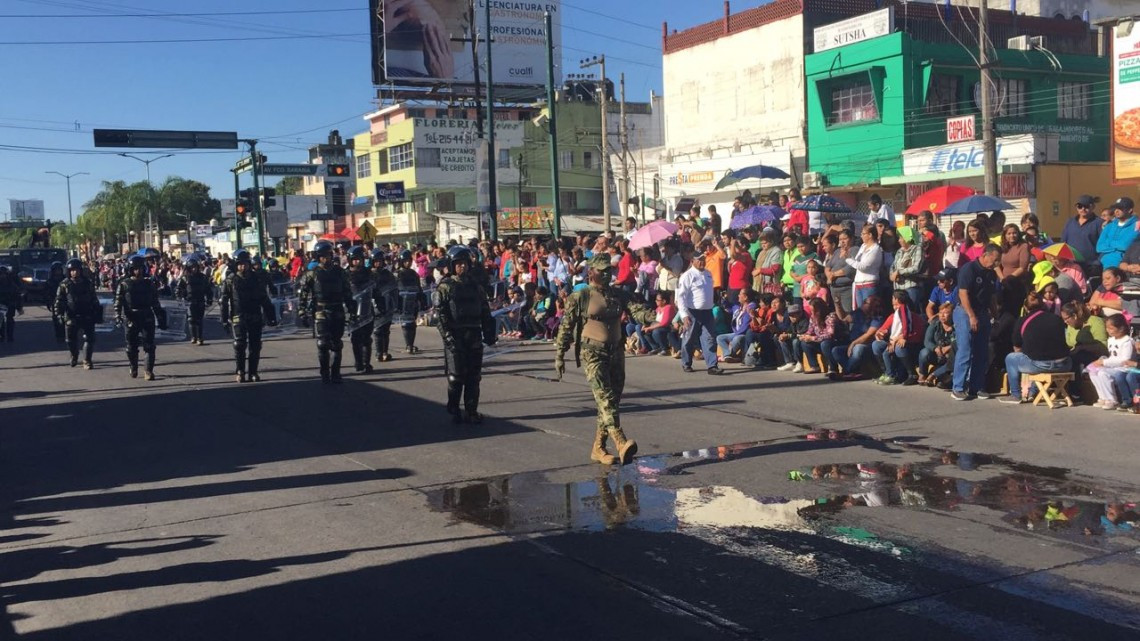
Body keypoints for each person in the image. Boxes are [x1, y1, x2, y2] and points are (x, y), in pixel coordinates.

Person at [554, 253, 657, 466]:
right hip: (592, 352)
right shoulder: (580, 296)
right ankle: (620, 441)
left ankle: (598, 447)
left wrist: (655, 317)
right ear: (591, 272)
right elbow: (566, 326)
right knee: (605, 397)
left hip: (616, 351)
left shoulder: (618, 294)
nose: (607, 274)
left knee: (611, 401)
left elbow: (636, 310)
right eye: (602, 270)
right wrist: (560, 355)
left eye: (609, 270)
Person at [435, 246, 495, 424]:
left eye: (465, 263)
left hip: (474, 334)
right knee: (456, 377)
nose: (462, 266)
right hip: (455, 334)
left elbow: (485, 311)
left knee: (473, 378)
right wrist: (447, 336)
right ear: (452, 265)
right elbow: (440, 316)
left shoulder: (476, 287)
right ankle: (454, 408)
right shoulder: (445, 287)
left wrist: (489, 332)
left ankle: (471, 411)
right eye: (458, 263)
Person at [999, 292, 1074, 405]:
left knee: (1011, 358)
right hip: (1063, 364)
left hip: (1039, 365)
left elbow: (1017, 348)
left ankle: (1015, 394)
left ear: (1025, 307)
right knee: (1036, 357)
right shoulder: (1057, 318)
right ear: (1044, 305)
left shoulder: (1022, 321)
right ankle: (1033, 393)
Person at [299, 240, 355, 383]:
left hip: (337, 309)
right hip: (320, 311)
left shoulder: (340, 272)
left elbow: (347, 292)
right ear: (318, 257)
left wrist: (352, 310)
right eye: (322, 256)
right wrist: (302, 312)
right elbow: (303, 293)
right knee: (323, 343)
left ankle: (335, 373)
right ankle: (325, 373)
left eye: (327, 255)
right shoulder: (312, 274)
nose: (325, 259)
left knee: (336, 344)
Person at [952, 244, 1001, 401]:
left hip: (983, 312)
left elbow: (991, 296)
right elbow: (963, 294)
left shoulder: (991, 274)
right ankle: (958, 387)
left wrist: (995, 315)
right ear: (985, 255)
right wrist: (971, 316)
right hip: (965, 312)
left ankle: (976, 386)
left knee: (981, 351)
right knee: (965, 349)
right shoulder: (969, 269)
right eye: (994, 260)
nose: (996, 264)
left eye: (998, 261)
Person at [220, 250, 277, 383]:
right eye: (240, 264)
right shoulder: (230, 280)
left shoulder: (256, 279)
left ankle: (253, 372)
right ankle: (240, 371)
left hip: (255, 315)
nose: (243, 266)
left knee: (255, 345)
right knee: (239, 345)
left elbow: (264, 298)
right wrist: (224, 320)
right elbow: (223, 301)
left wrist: (271, 316)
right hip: (238, 316)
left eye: (245, 264)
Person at [113, 255, 167, 380]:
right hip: (131, 317)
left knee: (149, 346)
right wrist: (117, 315)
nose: (138, 271)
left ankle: (148, 371)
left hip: (146, 316)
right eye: (135, 269)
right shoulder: (124, 284)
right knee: (131, 347)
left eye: (141, 268)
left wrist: (160, 316)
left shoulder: (149, 284)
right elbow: (118, 302)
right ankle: (133, 366)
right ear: (130, 269)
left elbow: (155, 302)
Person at [676, 251, 723, 375]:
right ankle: (686, 363)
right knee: (689, 339)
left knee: (709, 339)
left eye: (703, 259)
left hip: (707, 312)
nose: (702, 262)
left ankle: (712, 366)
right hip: (692, 312)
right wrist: (684, 315)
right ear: (693, 261)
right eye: (699, 260)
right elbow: (681, 297)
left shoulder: (708, 274)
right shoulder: (687, 276)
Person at [54, 258, 100, 369]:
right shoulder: (64, 285)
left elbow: (94, 298)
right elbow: (59, 301)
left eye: (77, 270)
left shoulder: (87, 283)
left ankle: (87, 360)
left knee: (89, 339)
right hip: (71, 316)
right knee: (70, 340)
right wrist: (59, 314)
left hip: (87, 314)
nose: (75, 272)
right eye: (72, 270)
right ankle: (74, 355)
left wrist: (97, 311)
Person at [872, 291, 926, 385]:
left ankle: (911, 374)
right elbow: (881, 330)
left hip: (910, 344)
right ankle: (887, 372)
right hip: (892, 341)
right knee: (876, 345)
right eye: (894, 306)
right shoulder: (893, 316)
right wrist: (880, 334)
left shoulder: (913, 317)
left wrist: (900, 338)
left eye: (897, 305)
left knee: (899, 347)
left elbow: (916, 334)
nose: (896, 308)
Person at [1085, 315, 1135, 410]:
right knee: (1093, 371)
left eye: (1111, 328)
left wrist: (1104, 362)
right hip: (1113, 366)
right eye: (1106, 328)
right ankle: (1103, 397)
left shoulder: (1127, 341)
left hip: (1123, 368)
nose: (1108, 330)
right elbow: (1112, 356)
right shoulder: (1111, 340)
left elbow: (1125, 360)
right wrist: (1102, 362)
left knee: (1103, 373)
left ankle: (1112, 399)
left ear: (1121, 328)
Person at [830, 295, 885, 381]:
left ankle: (846, 372)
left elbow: (868, 335)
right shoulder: (858, 313)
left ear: (873, 306)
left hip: (867, 345)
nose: (862, 304)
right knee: (836, 350)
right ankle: (853, 372)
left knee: (858, 348)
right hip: (852, 343)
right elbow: (843, 318)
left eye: (865, 302)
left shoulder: (878, 318)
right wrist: (838, 304)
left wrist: (853, 343)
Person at [343, 247, 376, 374]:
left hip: (367, 309)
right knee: (356, 338)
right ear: (350, 260)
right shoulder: (345, 275)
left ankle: (367, 363)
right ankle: (359, 363)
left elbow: (376, 289)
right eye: (354, 260)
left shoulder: (369, 273)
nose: (357, 262)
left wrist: (380, 302)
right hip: (352, 310)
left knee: (367, 338)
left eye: (359, 259)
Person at [394, 249, 429, 354]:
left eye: (409, 261)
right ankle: (408, 345)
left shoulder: (414, 274)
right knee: (406, 323)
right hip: (402, 301)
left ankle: (410, 344)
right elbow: (394, 290)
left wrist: (422, 300)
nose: (407, 263)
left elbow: (419, 288)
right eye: (405, 261)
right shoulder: (397, 274)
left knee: (412, 323)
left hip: (413, 301)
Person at [176, 256, 213, 346]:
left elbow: (208, 289)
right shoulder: (185, 278)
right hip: (189, 302)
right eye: (192, 267)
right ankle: (193, 337)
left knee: (199, 320)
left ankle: (200, 338)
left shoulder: (203, 277)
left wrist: (209, 299)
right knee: (191, 319)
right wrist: (180, 298)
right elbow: (178, 289)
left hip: (200, 300)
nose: (194, 269)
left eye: (195, 267)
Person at [370, 249, 398, 364]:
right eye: (376, 261)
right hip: (375, 304)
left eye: (380, 261)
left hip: (387, 304)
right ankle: (378, 353)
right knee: (377, 330)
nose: (378, 263)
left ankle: (385, 352)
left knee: (386, 330)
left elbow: (394, 288)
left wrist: (395, 302)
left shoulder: (388, 274)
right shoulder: (370, 274)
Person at [1062, 195, 1102, 275]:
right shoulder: (1070, 222)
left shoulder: (1099, 223)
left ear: (1093, 207)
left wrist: (1097, 262)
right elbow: (1063, 242)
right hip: (1071, 265)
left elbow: (1103, 245)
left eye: (1086, 206)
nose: (1083, 209)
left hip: (1091, 266)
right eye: (1080, 206)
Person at [918, 303, 956, 387]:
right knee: (924, 352)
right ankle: (922, 374)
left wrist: (949, 348)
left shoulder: (957, 326)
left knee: (955, 359)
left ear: (952, 314)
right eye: (940, 312)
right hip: (936, 354)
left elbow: (959, 341)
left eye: (946, 313)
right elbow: (927, 341)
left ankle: (934, 374)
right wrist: (935, 348)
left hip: (949, 356)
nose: (942, 315)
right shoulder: (935, 324)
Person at [1095, 197, 1138, 269]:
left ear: (1130, 210)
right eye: (1115, 208)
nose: (1116, 211)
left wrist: (1109, 243)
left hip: (1123, 264)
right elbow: (1099, 247)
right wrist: (1116, 248)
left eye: (1120, 208)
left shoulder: (1137, 225)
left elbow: (1125, 245)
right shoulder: (1109, 226)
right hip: (1103, 262)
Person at [847, 224, 883, 309]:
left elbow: (863, 267)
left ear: (870, 235)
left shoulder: (876, 249)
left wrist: (847, 259)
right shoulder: (863, 246)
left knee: (869, 311)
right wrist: (848, 256)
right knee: (860, 312)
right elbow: (856, 261)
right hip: (858, 284)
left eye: (863, 234)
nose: (861, 236)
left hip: (869, 285)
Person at [0, 265, 24, 342]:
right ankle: (2, 336)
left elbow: (18, 295)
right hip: (1, 304)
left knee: (10, 320)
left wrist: (19, 308)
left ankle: (10, 336)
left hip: (10, 303)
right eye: (1, 274)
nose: (2, 276)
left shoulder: (12, 284)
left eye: (4, 274)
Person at [45, 261, 65, 343]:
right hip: (55, 303)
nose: (58, 272)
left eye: (59, 270)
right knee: (56, 320)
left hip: (65, 302)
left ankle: (66, 334)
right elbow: (46, 293)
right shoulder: (49, 282)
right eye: (56, 270)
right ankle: (59, 335)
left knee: (67, 319)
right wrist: (48, 302)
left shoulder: (65, 280)